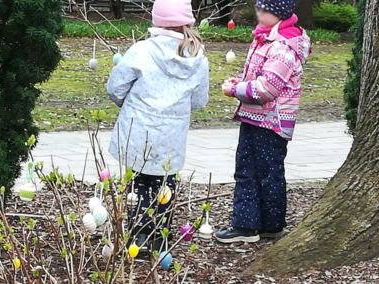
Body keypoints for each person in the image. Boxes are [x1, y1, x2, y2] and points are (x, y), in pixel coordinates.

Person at [106, 0, 209, 251]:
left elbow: (115, 87)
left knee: (138, 182)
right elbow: (199, 100)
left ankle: (139, 235)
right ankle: (161, 235)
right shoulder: (197, 57)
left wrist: (131, 104)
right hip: (171, 135)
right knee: (166, 183)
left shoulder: (141, 50)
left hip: (139, 129)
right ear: (188, 21)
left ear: (156, 20)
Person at [215, 0, 311, 243]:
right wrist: (238, 80)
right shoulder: (265, 39)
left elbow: (266, 88)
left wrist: (235, 89)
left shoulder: (283, 47)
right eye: (258, 8)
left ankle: (256, 225)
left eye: (264, 10)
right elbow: (257, 75)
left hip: (272, 121)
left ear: (279, 14)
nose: (258, 13)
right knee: (249, 168)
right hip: (255, 117)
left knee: (265, 172)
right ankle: (259, 223)